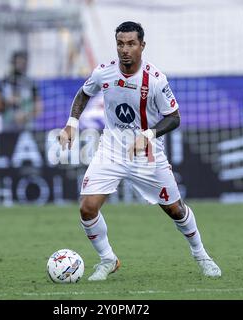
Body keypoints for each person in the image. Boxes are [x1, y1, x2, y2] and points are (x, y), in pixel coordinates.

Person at [58, 21, 221, 281]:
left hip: (147, 153)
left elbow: (174, 117)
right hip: (111, 148)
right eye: (121, 44)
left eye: (131, 44)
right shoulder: (104, 73)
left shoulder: (155, 80)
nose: (125, 49)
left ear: (142, 46)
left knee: (175, 210)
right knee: (87, 208)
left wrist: (147, 135)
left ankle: (202, 255)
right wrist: (71, 124)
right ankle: (108, 259)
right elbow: (83, 93)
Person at [0, 50, 43, 132]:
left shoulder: (31, 84)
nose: (21, 66)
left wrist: (26, 116)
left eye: (23, 63)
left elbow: (39, 109)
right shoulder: (3, 83)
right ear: (13, 63)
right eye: (18, 62)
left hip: (27, 128)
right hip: (8, 128)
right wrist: (6, 102)